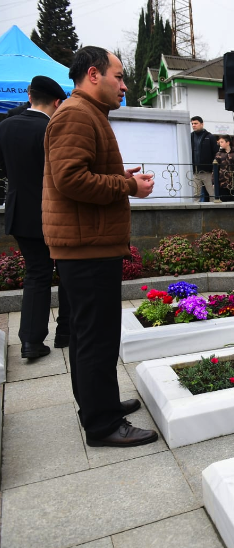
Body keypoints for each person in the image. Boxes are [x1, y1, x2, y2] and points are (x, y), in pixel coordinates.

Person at [43, 46, 157, 447]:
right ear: (94, 74)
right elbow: (70, 179)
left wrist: (116, 175)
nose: (124, 85)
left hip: (89, 243)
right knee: (95, 337)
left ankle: (101, 405)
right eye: (119, 76)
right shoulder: (76, 114)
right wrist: (127, 186)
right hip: (87, 247)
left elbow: (79, 172)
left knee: (96, 334)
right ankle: (102, 424)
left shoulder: (85, 113)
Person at [0, 76, 71, 359]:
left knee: (36, 274)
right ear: (56, 102)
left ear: (30, 97)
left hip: (20, 211)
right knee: (66, 273)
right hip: (55, 211)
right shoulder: (53, 128)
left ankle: (30, 341)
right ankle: (65, 332)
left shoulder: (4, 127)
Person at [190, 115, 218, 202]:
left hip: (207, 171)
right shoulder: (190, 136)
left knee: (212, 193)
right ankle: (195, 212)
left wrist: (214, 168)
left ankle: (214, 211)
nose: (193, 125)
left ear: (202, 124)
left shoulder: (210, 137)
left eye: (196, 123)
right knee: (195, 194)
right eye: (192, 124)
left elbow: (215, 153)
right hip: (195, 171)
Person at [214, 135, 234, 202]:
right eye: (220, 142)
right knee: (223, 201)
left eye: (222, 142)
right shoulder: (219, 154)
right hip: (223, 183)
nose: (220, 143)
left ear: (228, 142)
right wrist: (214, 182)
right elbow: (215, 169)